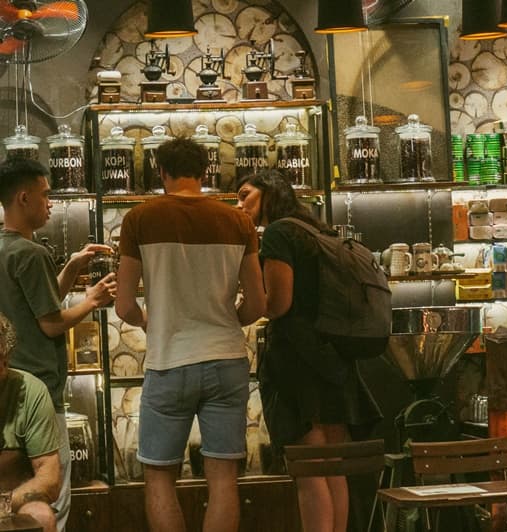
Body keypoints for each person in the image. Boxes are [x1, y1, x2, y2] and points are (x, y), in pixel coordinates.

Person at [115, 137, 265, 532]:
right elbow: (257, 304)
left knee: (161, 478)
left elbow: (124, 305)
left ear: (160, 172)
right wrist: (230, 316)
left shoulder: (139, 219)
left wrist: (151, 320)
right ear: (205, 172)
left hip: (169, 362)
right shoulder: (238, 221)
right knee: (222, 479)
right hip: (226, 360)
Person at [236, 170, 381, 532]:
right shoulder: (317, 230)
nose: (239, 205)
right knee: (333, 468)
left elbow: (279, 303)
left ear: (268, 193)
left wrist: (248, 299)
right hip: (333, 359)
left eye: (244, 195)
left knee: (309, 470)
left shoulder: (279, 233)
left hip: (298, 362)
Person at [0, 157, 116, 530]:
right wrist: (93, 300)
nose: (50, 203)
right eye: (45, 195)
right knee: (51, 497)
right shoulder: (31, 253)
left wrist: (72, 267)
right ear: (23, 198)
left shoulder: (7, 250)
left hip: (10, 382)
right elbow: (51, 323)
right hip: (40, 388)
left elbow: (35, 305)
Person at [0, 312, 61, 532]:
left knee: (41, 516)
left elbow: (50, 481)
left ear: (5, 362)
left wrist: (4, 503)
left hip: (11, 503)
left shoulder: (31, 392)